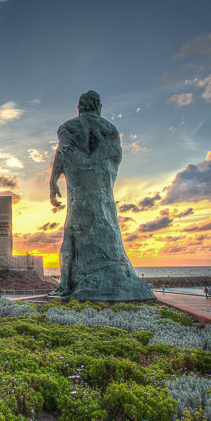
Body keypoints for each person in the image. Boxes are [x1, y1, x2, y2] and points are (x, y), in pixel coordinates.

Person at [48, 90, 155, 302]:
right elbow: (115, 157)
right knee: (106, 225)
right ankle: (106, 277)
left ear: (79, 107)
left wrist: (54, 180)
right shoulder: (110, 129)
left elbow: (63, 151)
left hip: (80, 188)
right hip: (101, 188)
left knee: (72, 231)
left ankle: (66, 285)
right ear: (97, 106)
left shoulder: (68, 127)